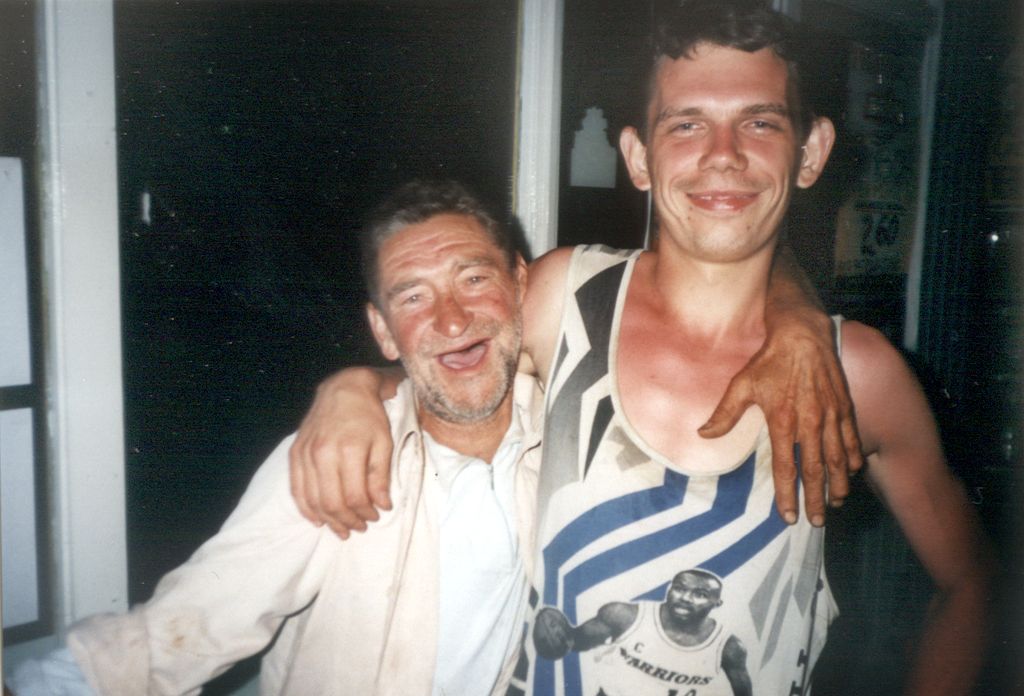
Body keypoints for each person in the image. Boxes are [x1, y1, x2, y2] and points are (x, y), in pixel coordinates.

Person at [288, 2, 992, 695]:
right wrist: (353, 388)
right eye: (686, 124)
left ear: (810, 153)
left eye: (760, 122)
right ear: (638, 157)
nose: (723, 153)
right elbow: (453, 361)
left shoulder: (854, 373)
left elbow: (973, 583)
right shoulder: (566, 299)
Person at [7, 180, 543, 695]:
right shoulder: (341, 460)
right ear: (383, 330)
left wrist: (358, 380)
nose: (452, 321)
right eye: (413, 298)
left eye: (474, 279)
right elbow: (185, 627)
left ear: (520, 283)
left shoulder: (571, 429)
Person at [533, 569, 752, 696]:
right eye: (679, 588)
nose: (685, 598)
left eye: (700, 594)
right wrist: (558, 635)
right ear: (669, 590)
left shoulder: (728, 648)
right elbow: (575, 641)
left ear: (717, 603)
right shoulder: (625, 616)